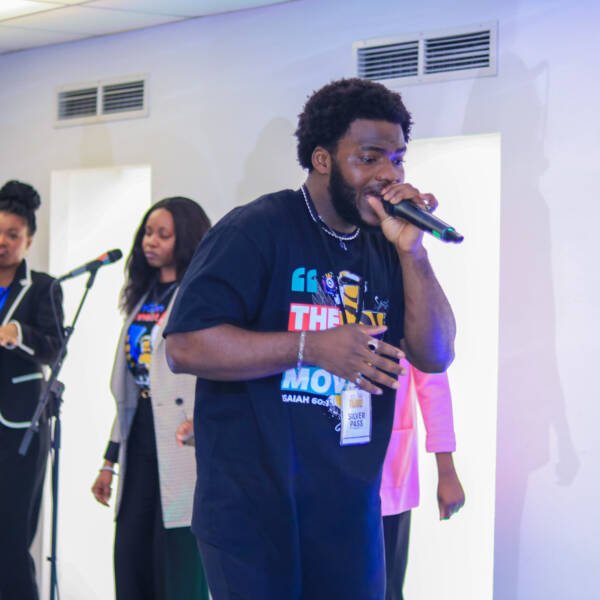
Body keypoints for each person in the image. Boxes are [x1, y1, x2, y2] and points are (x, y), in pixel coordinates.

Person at [164, 78, 456, 600]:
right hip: (251, 513)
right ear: (323, 160)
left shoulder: (388, 245)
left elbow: (435, 354)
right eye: (369, 158)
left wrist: (413, 251)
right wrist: (310, 347)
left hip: (349, 512)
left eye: (397, 160)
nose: (388, 175)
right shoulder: (256, 229)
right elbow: (184, 345)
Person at [91, 197, 211, 600]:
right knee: (132, 548)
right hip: (139, 428)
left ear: (186, 239)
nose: (151, 242)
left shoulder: (198, 294)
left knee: (175, 554)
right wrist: (108, 461)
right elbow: (126, 389)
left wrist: (202, 419)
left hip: (181, 436)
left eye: (163, 234)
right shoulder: (141, 298)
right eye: (147, 232)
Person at [0, 180, 64, 600]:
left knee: (10, 536)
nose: (2, 242)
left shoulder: (43, 287)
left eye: (13, 234)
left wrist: (18, 334)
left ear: (29, 240)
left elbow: (55, 348)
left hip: (19, 425)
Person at [381, 361, 465, 600]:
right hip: (319, 471)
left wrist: (446, 469)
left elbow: (432, 379)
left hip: (387, 477)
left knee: (386, 587)